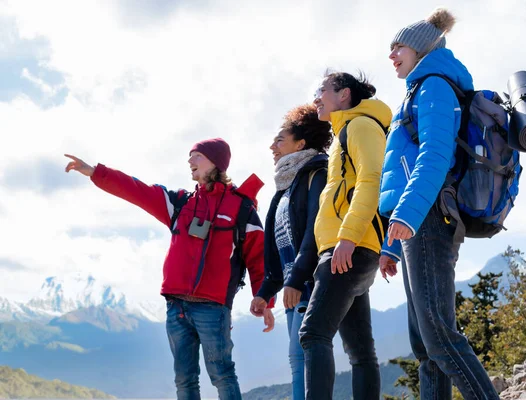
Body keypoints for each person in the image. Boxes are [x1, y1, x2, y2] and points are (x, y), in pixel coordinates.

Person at [64, 137, 274, 400]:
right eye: (190, 156)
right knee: (184, 380)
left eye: (197, 156)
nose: (190, 161)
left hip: (213, 307)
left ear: (216, 163)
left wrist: (265, 298)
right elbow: (136, 190)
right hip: (176, 307)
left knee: (222, 374)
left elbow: (258, 258)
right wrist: (95, 172)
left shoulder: (241, 209)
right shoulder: (180, 203)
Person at [378, 8, 501, 400]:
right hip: (418, 221)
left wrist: (408, 218)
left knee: (440, 338)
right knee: (426, 348)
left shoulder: (434, 85)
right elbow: (405, 170)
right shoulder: (419, 90)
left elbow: (434, 157)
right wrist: (391, 246)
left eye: (399, 47)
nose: (392, 55)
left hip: (430, 217)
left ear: (420, 48)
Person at [298, 71, 392, 400]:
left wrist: (348, 237)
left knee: (313, 334)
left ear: (343, 95)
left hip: (349, 247)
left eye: (321, 89)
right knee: (361, 352)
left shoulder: (361, 126)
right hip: (350, 246)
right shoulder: (343, 134)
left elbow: (371, 181)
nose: (315, 97)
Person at [250, 104, 332, 400]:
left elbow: (315, 231)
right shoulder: (282, 190)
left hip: (309, 287)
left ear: (300, 144)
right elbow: (277, 251)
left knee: (303, 359)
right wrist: (264, 292)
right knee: (297, 362)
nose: (272, 146)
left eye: (279, 140)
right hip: (291, 291)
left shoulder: (316, 176)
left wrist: (296, 280)